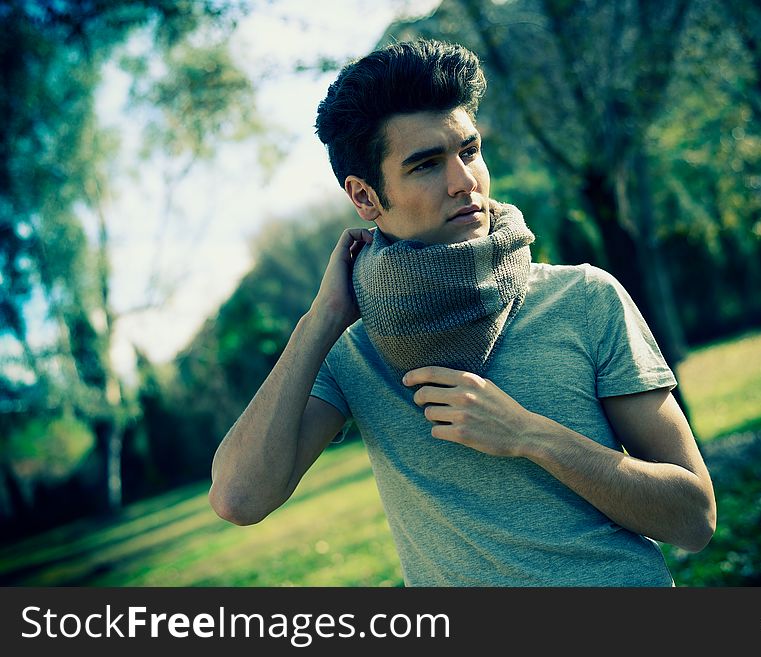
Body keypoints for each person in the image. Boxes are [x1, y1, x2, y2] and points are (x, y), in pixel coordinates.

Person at [209, 39, 716, 586]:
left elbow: (694, 519)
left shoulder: (585, 298)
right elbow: (239, 498)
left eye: (469, 152)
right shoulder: (351, 351)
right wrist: (323, 319)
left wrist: (529, 435)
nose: (464, 182)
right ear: (364, 197)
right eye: (426, 165)